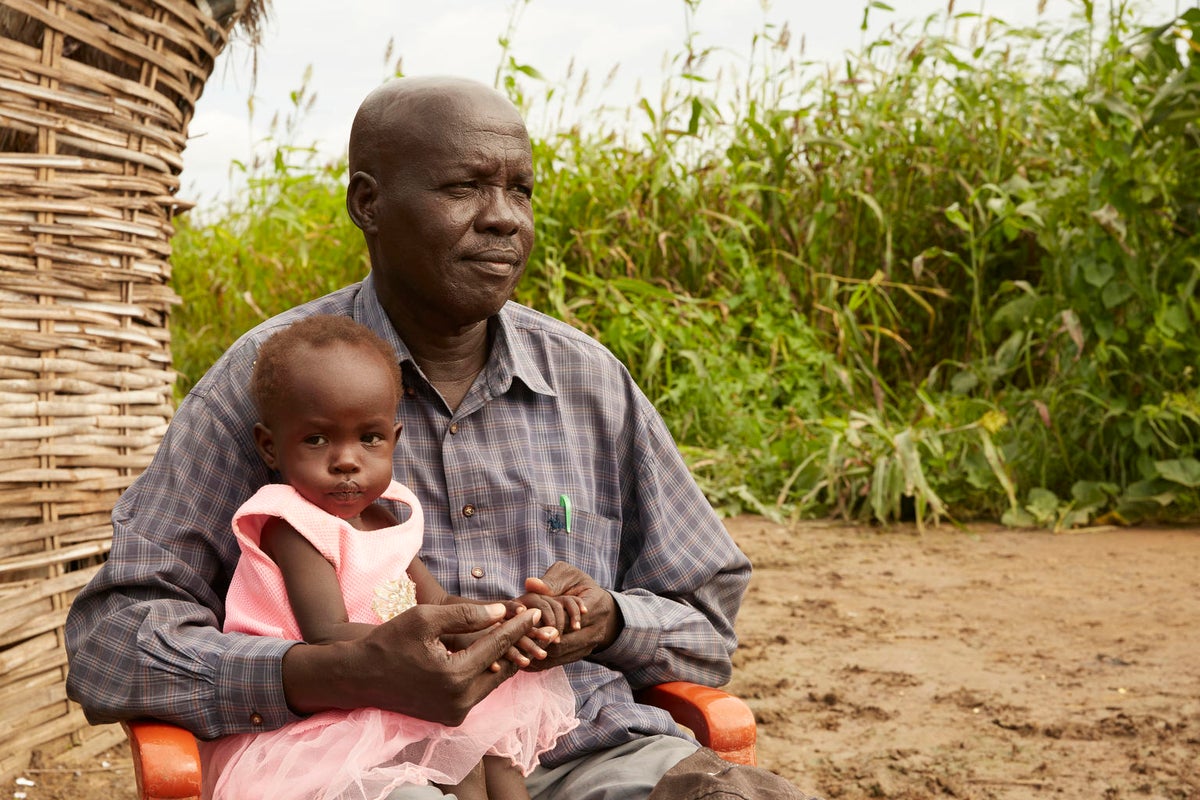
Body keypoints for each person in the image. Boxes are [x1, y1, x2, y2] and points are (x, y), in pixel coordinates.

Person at [66, 75, 807, 799]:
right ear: (369, 203)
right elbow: (112, 645)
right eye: (463, 189)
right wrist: (339, 670)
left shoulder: (589, 383)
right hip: (365, 763)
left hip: (589, 749)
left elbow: (705, 619)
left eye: (520, 191)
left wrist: (607, 620)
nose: (504, 219)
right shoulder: (273, 386)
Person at [199, 314, 580, 800]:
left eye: (369, 438)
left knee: (495, 752)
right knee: (453, 755)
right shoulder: (290, 524)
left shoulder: (386, 517)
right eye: (317, 439)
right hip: (331, 709)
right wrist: (430, 654)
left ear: (394, 440)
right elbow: (327, 634)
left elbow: (437, 600)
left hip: (400, 684)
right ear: (270, 447)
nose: (346, 460)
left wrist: (509, 616)